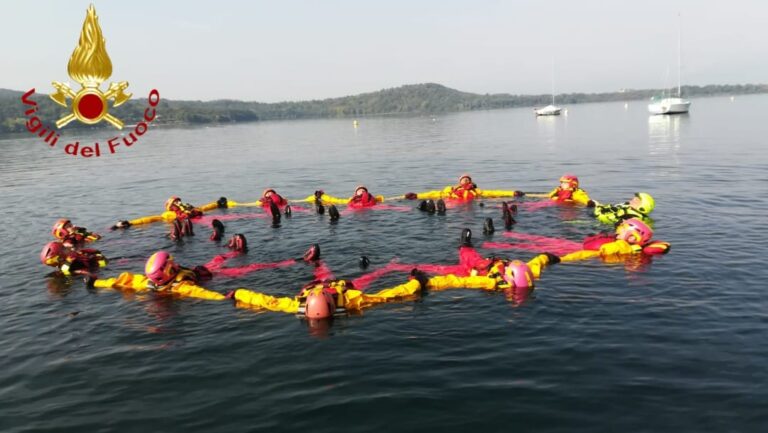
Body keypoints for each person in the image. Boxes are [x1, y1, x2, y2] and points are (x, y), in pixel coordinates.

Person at [227, 270, 430, 319]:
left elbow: (264, 300)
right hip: (338, 287)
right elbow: (389, 295)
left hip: (333, 286)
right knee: (370, 283)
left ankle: (317, 264)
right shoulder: (353, 302)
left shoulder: (293, 306)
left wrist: (239, 293)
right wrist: (416, 283)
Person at [89, 251, 225, 300]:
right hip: (204, 278)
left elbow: (117, 281)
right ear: (168, 270)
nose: (174, 262)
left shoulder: (144, 282)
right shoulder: (182, 287)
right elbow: (206, 294)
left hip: (186, 279)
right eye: (171, 262)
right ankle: (227, 256)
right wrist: (229, 296)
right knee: (213, 270)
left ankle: (224, 256)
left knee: (213, 264)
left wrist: (95, 282)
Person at [560, 217, 670, 263]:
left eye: (622, 229)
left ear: (632, 237)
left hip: (579, 251)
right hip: (577, 246)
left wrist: (559, 260)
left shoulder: (620, 246)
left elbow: (583, 255)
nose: (618, 231)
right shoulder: (622, 243)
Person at [111, 196, 229, 229]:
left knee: (215, 222)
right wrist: (131, 223)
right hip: (196, 221)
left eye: (178, 201)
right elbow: (149, 219)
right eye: (175, 202)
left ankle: (218, 231)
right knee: (212, 224)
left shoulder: (189, 209)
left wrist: (217, 203)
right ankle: (218, 231)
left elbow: (204, 208)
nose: (178, 204)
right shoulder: (168, 215)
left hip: (197, 219)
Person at [404, 174, 524, 202]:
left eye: (468, 179)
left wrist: (512, 193)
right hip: (453, 203)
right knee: (439, 200)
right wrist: (417, 195)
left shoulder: (476, 191)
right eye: (463, 179)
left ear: (471, 182)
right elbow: (434, 193)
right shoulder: (451, 189)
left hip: (470, 204)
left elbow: (494, 192)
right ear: (459, 182)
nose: (466, 180)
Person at [40, 241, 107, 276]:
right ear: (60, 258)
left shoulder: (74, 258)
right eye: (63, 248)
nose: (67, 248)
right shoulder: (71, 267)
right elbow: (85, 273)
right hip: (99, 269)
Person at [304, 185, 384, 209]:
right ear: (356, 193)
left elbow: (388, 200)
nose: (361, 191)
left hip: (370, 207)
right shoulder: (350, 200)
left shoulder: (373, 199)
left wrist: (396, 199)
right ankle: (335, 215)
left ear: (366, 192)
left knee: (387, 207)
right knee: (344, 213)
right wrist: (322, 196)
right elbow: (336, 200)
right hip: (354, 209)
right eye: (360, 190)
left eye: (363, 190)